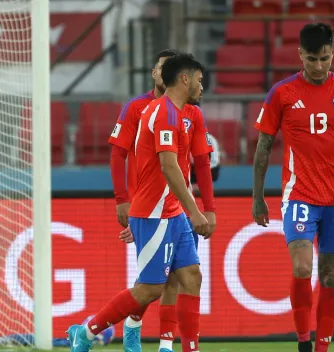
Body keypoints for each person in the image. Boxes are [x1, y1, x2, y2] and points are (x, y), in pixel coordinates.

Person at [68, 53, 208, 352]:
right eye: (199, 80)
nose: (201, 86)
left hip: (173, 211)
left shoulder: (179, 112)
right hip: (154, 212)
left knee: (191, 276)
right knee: (151, 288)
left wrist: (188, 209)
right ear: (184, 79)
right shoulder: (165, 114)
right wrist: (196, 211)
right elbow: (169, 167)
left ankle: (190, 349)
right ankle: (87, 332)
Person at [252, 23, 334, 352]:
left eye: (325, 58)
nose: (319, 66)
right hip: (299, 194)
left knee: (330, 277)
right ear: (300, 55)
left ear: (333, 52)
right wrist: (258, 198)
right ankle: (303, 342)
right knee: (302, 267)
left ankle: (322, 348)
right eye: (312, 59)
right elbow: (263, 147)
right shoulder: (282, 93)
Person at [109, 51, 216, 352]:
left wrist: (209, 207)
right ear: (155, 73)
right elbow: (118, 154)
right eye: (157, 67)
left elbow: (202, 163)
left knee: (184, 276)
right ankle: (114, 326)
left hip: (176, 206)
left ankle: (167, 345)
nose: (160, 73)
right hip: (147, 206)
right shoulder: (139, 108)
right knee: (152, 284)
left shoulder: (191, 112)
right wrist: (123, 200)